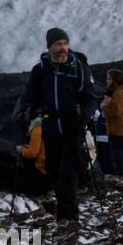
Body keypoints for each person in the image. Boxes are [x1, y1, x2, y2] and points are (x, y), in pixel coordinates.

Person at [21, 28, 98, 222]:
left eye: (65, 43)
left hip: (73, 125)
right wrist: (28, 110)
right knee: (54, 169)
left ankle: (68, 217)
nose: (63, 48)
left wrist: (86, 113)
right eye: (58, 44)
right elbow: (31, 95)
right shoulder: (40, 70)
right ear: (49, 47)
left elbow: (90, 96)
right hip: (50, 126)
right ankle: (63, 212)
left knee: (68, 171)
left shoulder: (79, 68)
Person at [100, 69, 123, 176]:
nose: (107, 81)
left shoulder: (118, 93)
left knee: (121, 159)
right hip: (122, 131)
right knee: (122, 158)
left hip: (120, 131)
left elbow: (116, 112)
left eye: (109, 78)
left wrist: (104, 107)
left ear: (115, 80)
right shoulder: (121, 92)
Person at [16, 116, 52, 198]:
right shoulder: (48, 125)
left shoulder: (38, 128)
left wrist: (20, 150)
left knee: (18, 185)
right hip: (52, 171)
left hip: (43, 171)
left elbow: (33, 153)